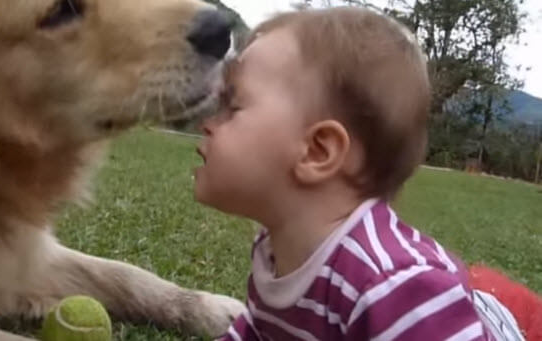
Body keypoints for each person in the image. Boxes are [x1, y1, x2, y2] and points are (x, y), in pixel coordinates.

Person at [193, 6, 525, 340]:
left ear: (317, 151)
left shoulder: (395, 284)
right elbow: (256, 330)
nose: (206, 123)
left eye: (232, 107)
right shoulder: (274, 247)